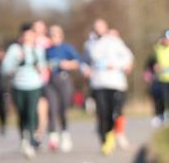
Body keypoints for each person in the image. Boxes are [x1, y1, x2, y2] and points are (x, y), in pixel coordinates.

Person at [82, 20, 133, 155]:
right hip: (98, 83)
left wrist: (115, 64)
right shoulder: (89, 44)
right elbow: (84, 61)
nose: (98, 29)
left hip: (115, 83)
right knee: (102, 112)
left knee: (115, 112)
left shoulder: (114, 41)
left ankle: (115, 134)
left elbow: (128, 57)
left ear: (106, 28)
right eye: (96, 27)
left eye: (101, 27)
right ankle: (106, 139)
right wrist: (85, 70)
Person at [1, 23, 46, 158]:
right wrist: (16, 63)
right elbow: (5, 68)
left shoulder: (37, 49)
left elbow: (42, 67)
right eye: (25, 35)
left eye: (30, 35)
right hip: (18, 86)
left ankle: (31, 139)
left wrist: (39, 67)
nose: (28, 37)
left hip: (34, 85)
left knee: (32, 112)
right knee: (21, 113)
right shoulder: (15, 49)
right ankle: (23, 137)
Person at [44, 24, 81, 152]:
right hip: (50, 83)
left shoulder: (67, 48)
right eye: (50, 35)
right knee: (52, 109)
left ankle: (65, 134)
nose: (53, 37)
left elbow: (78, 63)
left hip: (64, 80)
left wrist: (67, 64)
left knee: (63, 109)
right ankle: (53, 137)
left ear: (61, 35)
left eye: (55, 34)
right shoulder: (47, 50)